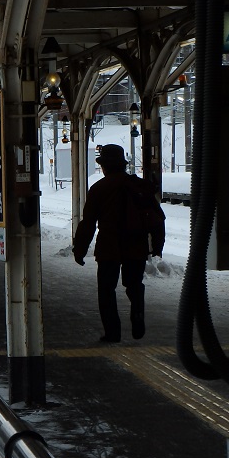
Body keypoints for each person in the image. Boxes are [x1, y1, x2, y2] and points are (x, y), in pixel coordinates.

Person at [72, 143, 165, 343]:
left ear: (104, 166)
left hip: (109, 246)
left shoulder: (99, 189)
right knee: (134, 284)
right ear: (123, 164)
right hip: (136, 244)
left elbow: (88, 223)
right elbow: (158, 219)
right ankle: (137, 311)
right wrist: (157, 246)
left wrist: (79, 250)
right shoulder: (139, 186)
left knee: (106, 290)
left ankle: (112, 333)